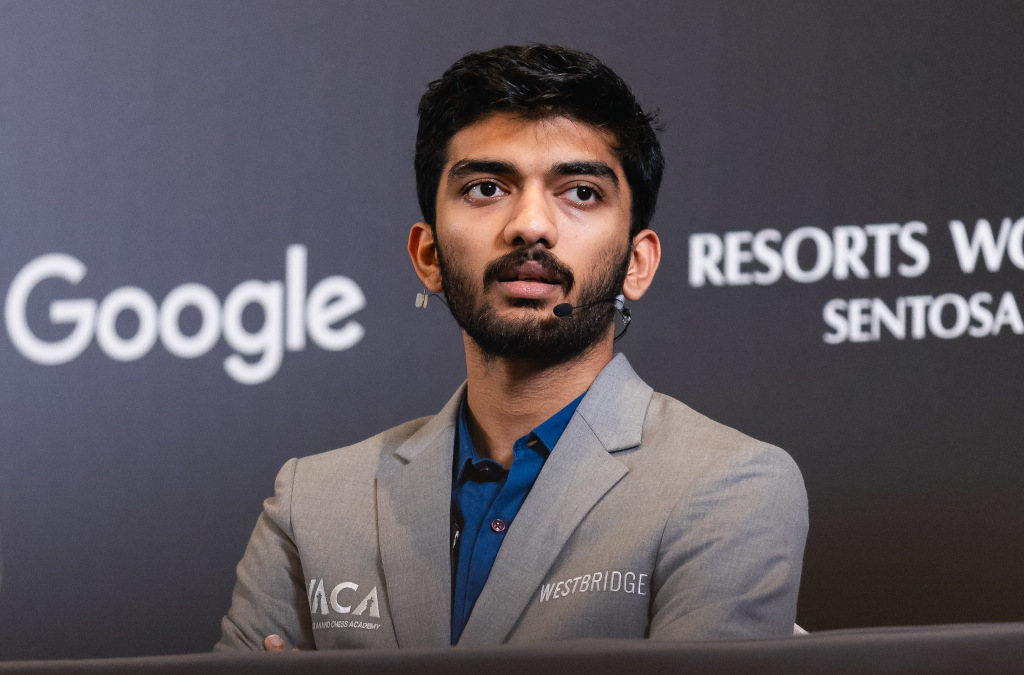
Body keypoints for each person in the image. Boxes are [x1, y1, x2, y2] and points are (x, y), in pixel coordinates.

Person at [216, 43, 808, 651]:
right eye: (486, 188)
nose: (530, 225)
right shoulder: (312, 502)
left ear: (637, 262)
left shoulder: (729, 485)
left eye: (581, 192)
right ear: (428, 256)